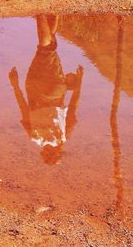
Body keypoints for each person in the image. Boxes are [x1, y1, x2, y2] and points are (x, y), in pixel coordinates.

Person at [9, 14, 83, 165]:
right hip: (34, 88)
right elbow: (23, 107)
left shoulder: (63, 136)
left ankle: (44, 12)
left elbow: (73, 107)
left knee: (47, 49)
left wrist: (79, 85)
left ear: (58, 152)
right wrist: (15, 84)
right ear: (44, 152)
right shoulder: (34, 136)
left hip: (55, 92)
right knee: (46, 49)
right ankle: (43, 13)